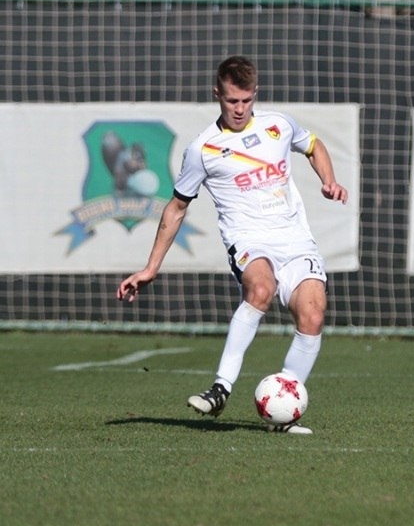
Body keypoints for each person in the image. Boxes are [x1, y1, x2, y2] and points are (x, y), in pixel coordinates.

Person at [116, 55, 349, 435]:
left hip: (295, 240)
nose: (239, 109)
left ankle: (283, 410)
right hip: (248, 240)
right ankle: (220, 388)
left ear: (255, 93)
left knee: (313, 315)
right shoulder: (203, 149)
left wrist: (329, 180)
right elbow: (176, 208)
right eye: (231, 101)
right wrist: (151, 267)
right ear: (217, 95)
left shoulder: (279, 125)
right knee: (261, 288)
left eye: (246, 100)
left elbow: (314, 145)